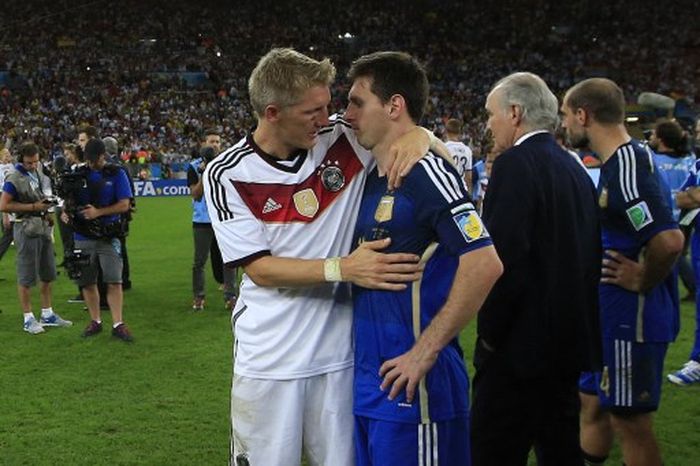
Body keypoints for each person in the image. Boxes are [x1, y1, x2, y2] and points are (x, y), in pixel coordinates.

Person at [204, 48, 444, 466]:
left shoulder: (343, 138)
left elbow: (411, 138)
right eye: (313, 111)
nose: (329, 117)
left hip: (341, 357)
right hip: (269, 359)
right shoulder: (228, 174)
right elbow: (259, 269)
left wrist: (421, 134)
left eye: (328, 106)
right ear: (273, 112)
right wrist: (344, 268)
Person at [345, 51, 503, 466]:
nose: (347, 114)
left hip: (415, 387)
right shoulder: (370, 178)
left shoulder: (426, 172)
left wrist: (424, 351)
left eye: (357, 102)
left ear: (394, 105)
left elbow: (484, 262)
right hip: (371, 383)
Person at [471, 72, 602, 466]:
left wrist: (490, 337)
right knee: (561, 450)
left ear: (514, 113)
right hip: (566, 347)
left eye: (491, 114)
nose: (488, 123)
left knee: (493, 451)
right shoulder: (573, 168)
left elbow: (502, 263)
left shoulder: (514, 165)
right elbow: (587, 257)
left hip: (517, 353)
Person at [561, 77, 683, 466]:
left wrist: (642, 278)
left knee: (630, 422)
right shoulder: (619, 163)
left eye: (566, 116)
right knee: (593, 403)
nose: (564, 125)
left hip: (632, 319)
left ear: (583, 115)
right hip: (609, 317)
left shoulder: (628, 167)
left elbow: (669, 240)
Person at [0, 142, 72, 334]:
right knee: (26, 276)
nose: (33, 165)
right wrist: (33, 208)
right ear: (21, 160)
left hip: (41, 227)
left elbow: (39, 196)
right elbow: (4, 205)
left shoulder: (38, 172)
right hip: (25, 228)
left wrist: (46, 213)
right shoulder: (14, 177)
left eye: (36, 161)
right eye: (30, 162)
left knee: (48, 273)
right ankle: (28, 318)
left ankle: (47, 314)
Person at [72, 138, 134, 342]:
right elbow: (69, 200)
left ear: (102, 156)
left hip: (109, 235)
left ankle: (118, 323)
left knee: (114, 280)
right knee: (87, 281)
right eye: (87, 160)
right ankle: (95, 320)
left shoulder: (117, 173)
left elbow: (124, 204)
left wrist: (99, 212)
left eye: (94, 160)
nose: (91, 164)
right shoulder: (79, 174)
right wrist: (67, 212)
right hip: (82, 235)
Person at [187, 128, 237, 311]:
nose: (215, 144)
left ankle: (231, 296)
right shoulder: (193, 166)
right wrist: (204, 173)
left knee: (230, 259)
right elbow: (196, 195)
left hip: (224, 218)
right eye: (211, 141)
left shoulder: (228, 164)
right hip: (202, 220)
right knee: (199, 262)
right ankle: (198, 297)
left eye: (217, 141)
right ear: (203, 144)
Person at [649, 120, 696, 302]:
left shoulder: (654, 161)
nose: (651, 137)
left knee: (669, 257)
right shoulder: (689, 159)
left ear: (660, 139)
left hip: (664, 217)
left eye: (653, 135)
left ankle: (683, 289)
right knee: (679, 255)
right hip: (686, 216)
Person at [668, 124, 700, 386]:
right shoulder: (697, 164)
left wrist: (695, 196)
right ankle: (698, 360)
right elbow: (682, 199)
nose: (696, 134)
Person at [103, 136, 134, 290]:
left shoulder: (113, 167)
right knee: (121, 245)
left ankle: (121, 279)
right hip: (124, 212)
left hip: (117, 212)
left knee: (116, 246)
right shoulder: (123, 165)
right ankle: (125, 279)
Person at [443, 118, 473, 192]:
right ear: (459, 132)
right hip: (462, 189)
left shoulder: (443, 148)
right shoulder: (467, 150)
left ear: (446, 131)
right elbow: (468, 177)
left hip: (447, 189)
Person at [0, 147, 15, 261]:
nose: (7, 156)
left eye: (8, 154)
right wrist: (5, 215)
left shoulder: (12, 167)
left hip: (14, 201)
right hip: (7, 200)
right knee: (9, 233)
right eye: (5, 154)